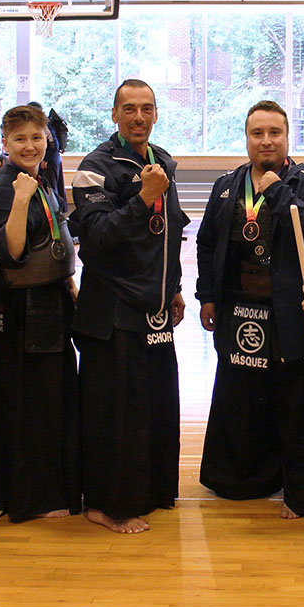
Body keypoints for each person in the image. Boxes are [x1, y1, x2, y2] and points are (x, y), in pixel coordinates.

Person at [195, 100, 304, 519]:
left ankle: (301, 490)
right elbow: (206, 243)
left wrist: (277, 191)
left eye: (275, 132)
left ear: (288, 137)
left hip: (289, 312)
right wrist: (207, 296)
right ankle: (242, 480)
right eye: (258, 133)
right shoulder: (227, 184)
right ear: (247, 138)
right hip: (239, 309)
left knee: (294, 401)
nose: (266, 141)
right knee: (240, 398)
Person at [69, 79, 189, 534]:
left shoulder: (162, 161)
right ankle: (108, 505)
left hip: (154, 310)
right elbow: (98, 237)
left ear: (155, 114)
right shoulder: (95, 168)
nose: (139, 117)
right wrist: (142, 197)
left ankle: (150, 492)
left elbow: (168, 233)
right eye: (129, 109)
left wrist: (174, 287)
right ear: (114, 114)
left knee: (154, 407)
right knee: (115, 415)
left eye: (147, 108)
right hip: (112, 311)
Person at [0, 104, 80, 522]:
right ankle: (28, 496)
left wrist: (69, 283)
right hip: (20, 308)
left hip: (50, 300)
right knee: (28, 402)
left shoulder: (43, 181)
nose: (29, 146)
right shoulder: (8, 187)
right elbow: (10, 251)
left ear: (47, 139)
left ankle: (49, 488)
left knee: (51, 398)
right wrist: (20, 201)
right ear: (5, 143)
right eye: (19, 139)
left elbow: (56, 241)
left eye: (36, 137)